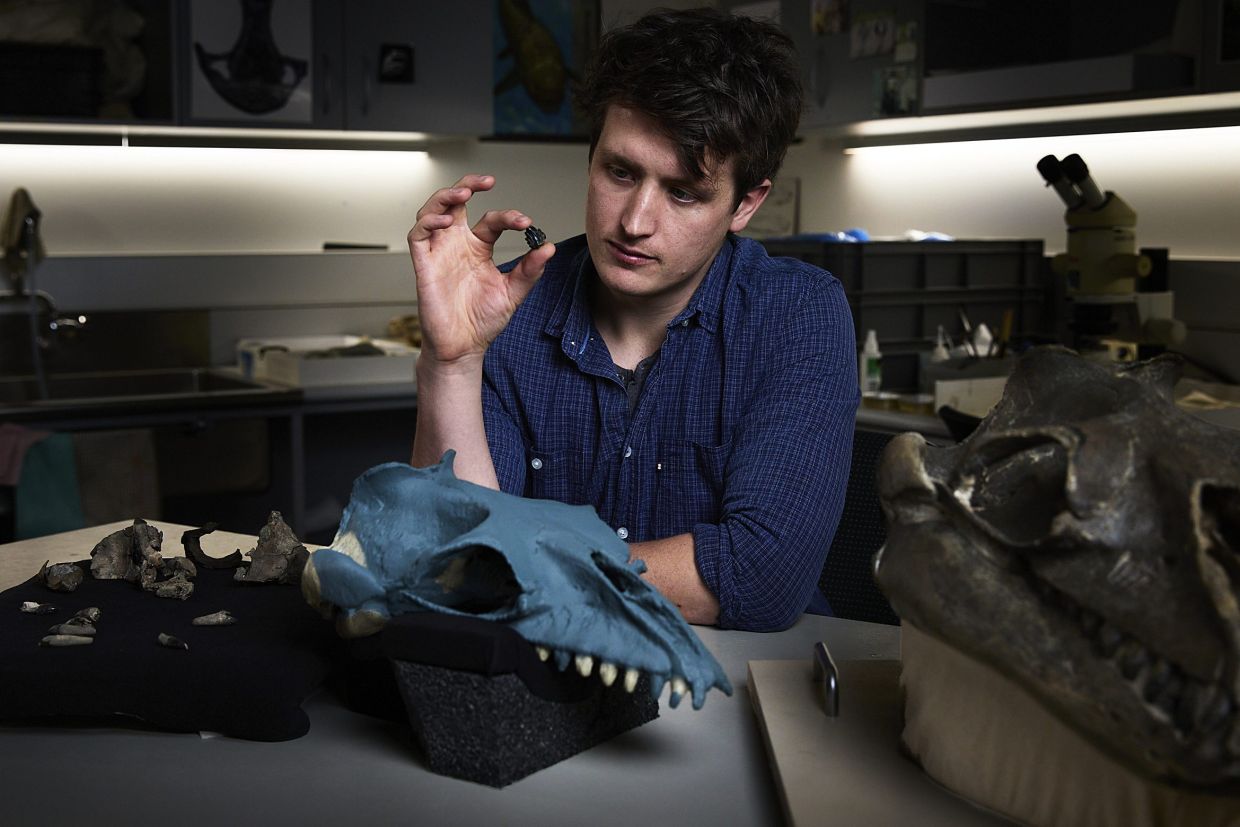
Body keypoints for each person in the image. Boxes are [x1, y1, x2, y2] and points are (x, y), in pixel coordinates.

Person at [407, 8, 858, 632]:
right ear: (591, 157)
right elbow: (451, 552)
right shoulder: (508, 302)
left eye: (683, 192)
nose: (635, 221)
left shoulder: (795, 314)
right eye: (620, 172)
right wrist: (451, 361)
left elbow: (762, 576)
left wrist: (515, 559)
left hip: (740, 679)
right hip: (546, 673)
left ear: (746, 203)